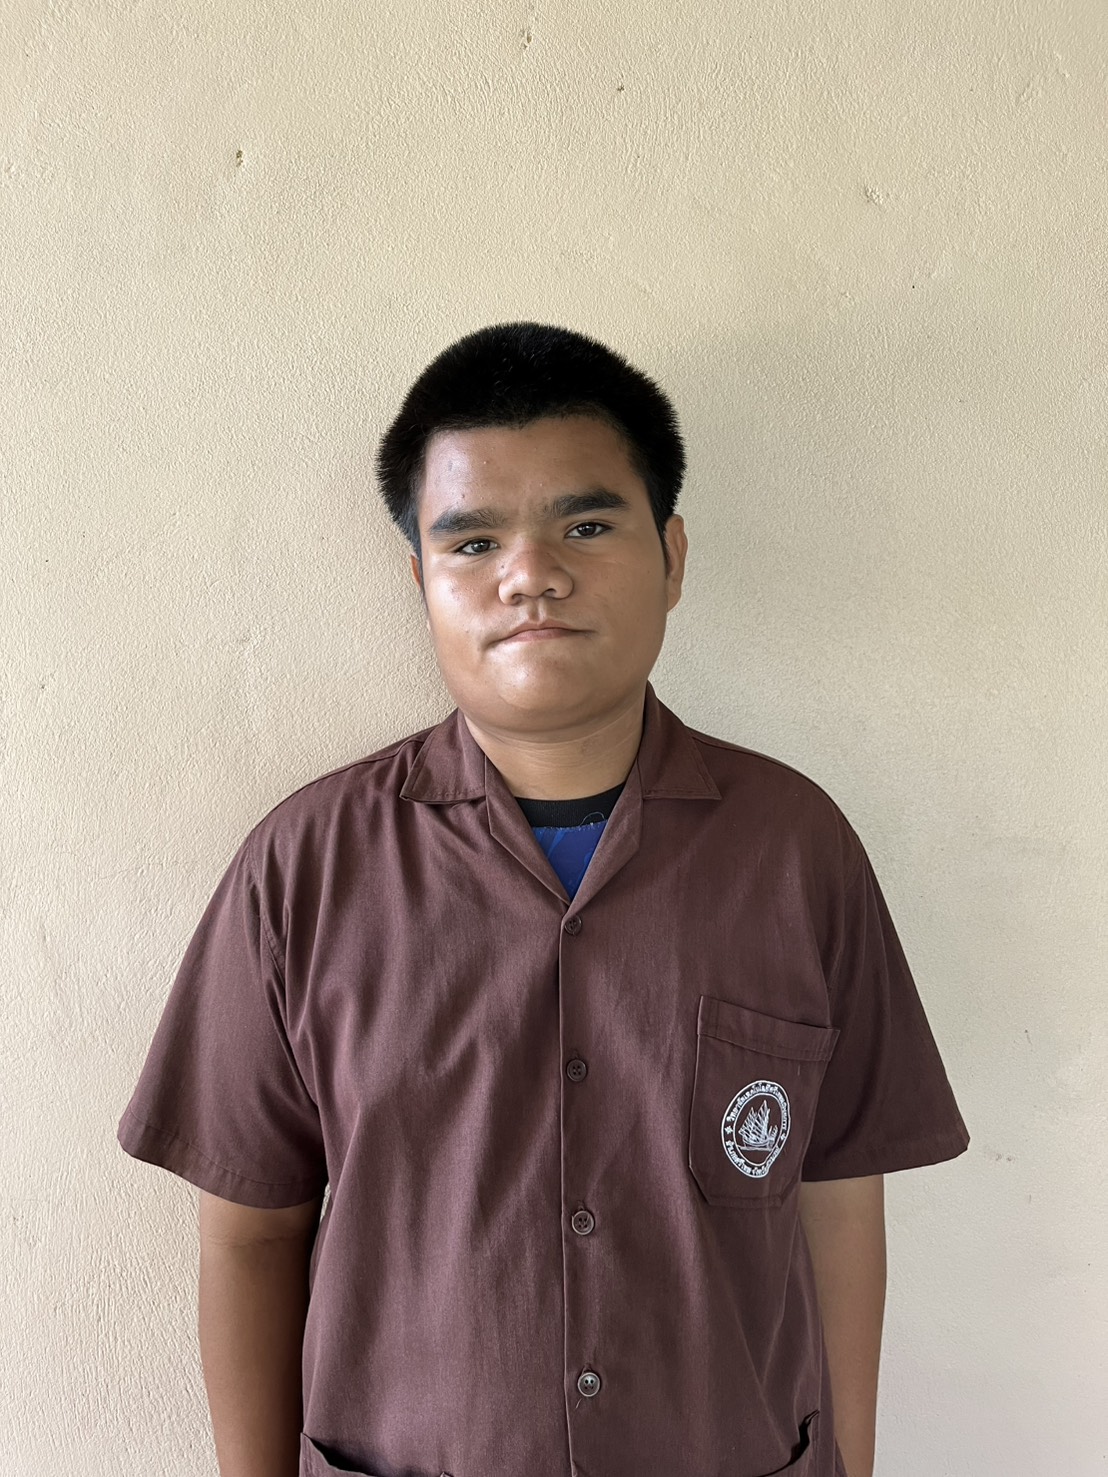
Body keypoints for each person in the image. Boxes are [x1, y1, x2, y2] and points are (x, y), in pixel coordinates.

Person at [118, 322, 969, 1477]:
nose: (531, 574)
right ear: (421, 582)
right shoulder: (300, 871)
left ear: (672, 556)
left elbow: (835, 1198)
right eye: (473, 541)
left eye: (586, 524)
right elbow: (250, 1235)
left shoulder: (795, 851)